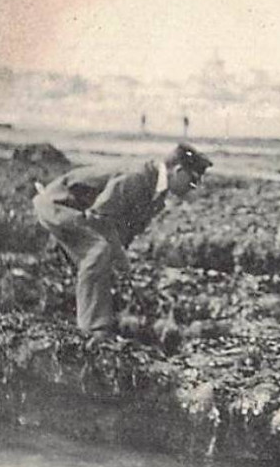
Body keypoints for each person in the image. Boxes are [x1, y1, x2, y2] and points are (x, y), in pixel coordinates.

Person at [33, 143, 211, 334]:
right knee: (99, 250)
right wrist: (119, 255)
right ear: (178, 171)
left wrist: (120, 259)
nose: (194, 187)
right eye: (193, 180)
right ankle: (93, 328)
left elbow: (124, 227)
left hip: (77, 210)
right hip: (58, 205)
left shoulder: (157, 191)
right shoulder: (137, 177)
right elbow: (99, 216)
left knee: (106, 256)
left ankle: (89, 311)